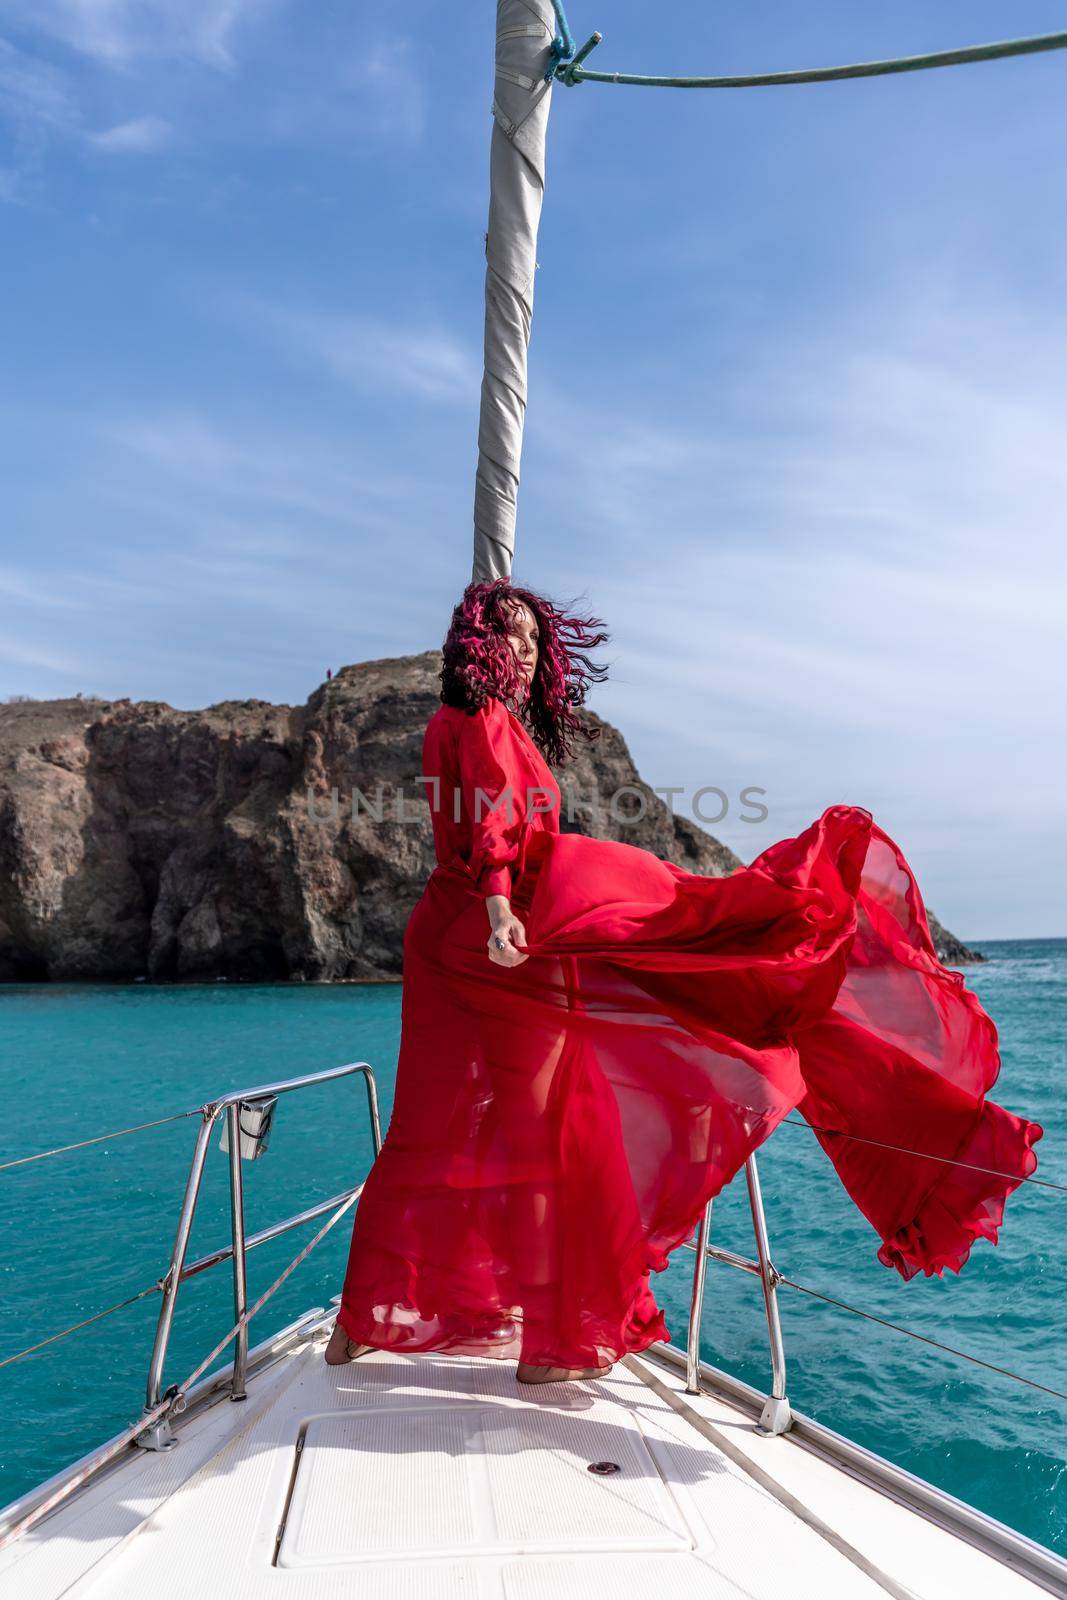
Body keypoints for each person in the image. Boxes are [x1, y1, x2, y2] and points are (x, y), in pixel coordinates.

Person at [325, 578, 1042, 1383]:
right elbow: (492, 825)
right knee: (557, 1119)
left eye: (533, 640)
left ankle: (364, 1326)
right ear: (480, 643)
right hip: (504, 936)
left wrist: (498, 912)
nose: (525, 654)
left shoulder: (456, 722)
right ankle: (549, 1341)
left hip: (470, 935)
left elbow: (482, 823)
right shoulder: (483, 721)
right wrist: (499, 914)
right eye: (512, 638)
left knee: (445, 1127)